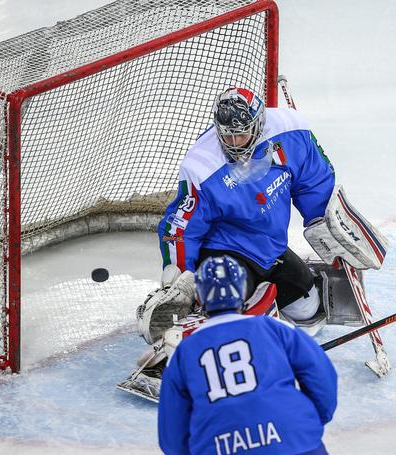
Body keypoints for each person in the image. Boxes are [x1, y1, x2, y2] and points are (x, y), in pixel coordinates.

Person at [136, 87, 337, 346]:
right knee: (231, 313)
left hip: (269, 247)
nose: (234, 143)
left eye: (241, 135)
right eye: (228, 136)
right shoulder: (202, 166)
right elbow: (181, 227)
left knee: (306, 307)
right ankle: (197, 327)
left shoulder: (289, 130)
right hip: (224, 249)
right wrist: (178, 276)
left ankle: (252, 308)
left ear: (259, 124)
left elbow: (313, 179)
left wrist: (324, 222)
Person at [158, 255, 337, 455]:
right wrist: (310, 420)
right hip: (296, 442)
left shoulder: (183, 352)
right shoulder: (275, 328)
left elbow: (172, 438)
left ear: (199, 297)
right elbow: (321, 374)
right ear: (244, 291)